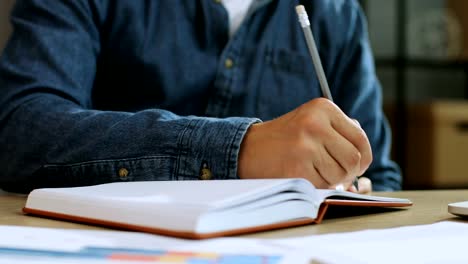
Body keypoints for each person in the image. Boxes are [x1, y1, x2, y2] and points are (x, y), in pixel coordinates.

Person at [0, 0, 401, 194]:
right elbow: (20, 131)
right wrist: (239, 151)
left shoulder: (336, 13)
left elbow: (379, 177)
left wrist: (353, 188)